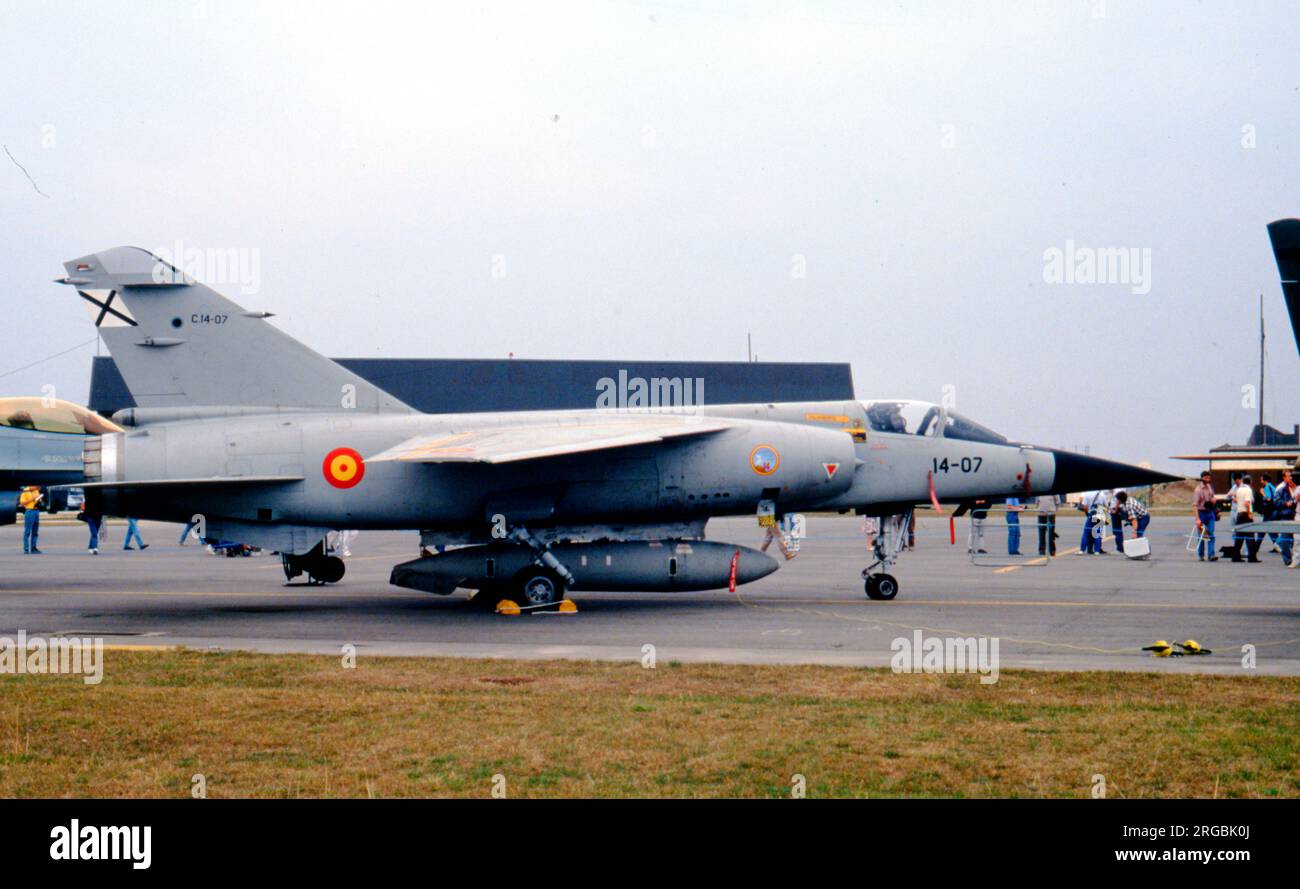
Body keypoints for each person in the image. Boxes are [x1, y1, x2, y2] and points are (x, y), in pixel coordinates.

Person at [1227, 474, 1261, 563]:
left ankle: (1235, 556)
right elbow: (1247, 503)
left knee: (1239, 537)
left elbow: (1235, 499)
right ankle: (1252, 557)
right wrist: (1250, 513)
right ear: (1251, 482)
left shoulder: (1239, 489)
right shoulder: (1248, 490)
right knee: (1250, 537)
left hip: (1239, 513)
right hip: (1246, 514)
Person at [1271, 470, 1297, 567]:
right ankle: (1287, 559)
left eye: (1291, 476)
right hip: (1286, 516)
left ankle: (1295, 559)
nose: (1290, 478)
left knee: (1296, 540)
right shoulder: (1281, 489)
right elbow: (1276, 502)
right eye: (1288, 476)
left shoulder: (1295, 488)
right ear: (1284, 478)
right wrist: (1285, 503)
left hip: (1295, 515)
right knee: (1285, 540)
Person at [1192, 470, 1218, 562]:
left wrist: (1213, 499)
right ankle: (1201, 554)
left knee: (1211, 534)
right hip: (1201, 513)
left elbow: (1212, 496)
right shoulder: (1198, 490)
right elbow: (1194, 505)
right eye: (1206, 478)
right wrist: (1197, 519)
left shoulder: (1210, 487)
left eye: (1209, 478)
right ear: (1202, 478)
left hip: (1210, 512)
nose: (1207, 479)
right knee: (1202, 535)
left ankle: (1211, 554)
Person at [18, 485, 42, 554]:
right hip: (29, 511)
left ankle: (33, 548)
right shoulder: (25, 491)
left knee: (35, 531)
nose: (37, 487)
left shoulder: (36, 490)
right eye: (36, 486)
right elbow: (22, 502)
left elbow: (38, 499)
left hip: (36, 510)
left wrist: (39, 499)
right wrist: (32, 499)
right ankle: (26, 549)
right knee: (27, 531)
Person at [1108, 489, 1125, 553]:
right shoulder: (1114, 491)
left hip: (1116, 512)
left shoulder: (1117, 490)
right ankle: (1120, 547)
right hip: (1115, 511)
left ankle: (1120, 548)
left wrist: (1115, 510)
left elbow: (1118, 501)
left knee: (1117, 530)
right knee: (1117, 530)